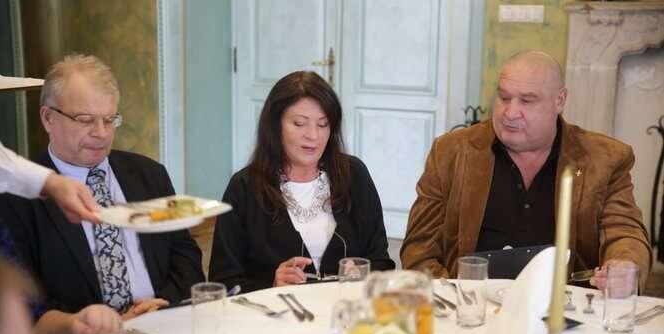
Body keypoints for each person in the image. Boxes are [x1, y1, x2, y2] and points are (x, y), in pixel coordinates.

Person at [400, 50, 651, 291]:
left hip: (564, 307)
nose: (510, 113)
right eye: (504, 97)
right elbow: (419, 248)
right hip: (472, 303)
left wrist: (624, 265)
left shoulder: (605, 158)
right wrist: (453, 296)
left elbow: (624, 232)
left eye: (527, 101)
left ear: (560, 100)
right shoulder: (451, 152)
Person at [0, 54, 205, 319]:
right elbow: (24, 299)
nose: (101, 133)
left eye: (109, 120)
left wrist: (161, 306)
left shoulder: (150, 173)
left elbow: (185, 254)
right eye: (85, 120)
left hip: (162, 321)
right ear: (48, 118)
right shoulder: (16, 195)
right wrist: (104, 323)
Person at [209, 71, 394, 292]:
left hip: (346, 308)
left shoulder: (354, 174)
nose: (313, 135)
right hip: (276, 312)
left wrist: (363, 274)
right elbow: (223, 282)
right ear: (274, 125)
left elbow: (381, 261)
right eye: (299, 124)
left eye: (323, 124)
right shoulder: (244, 187)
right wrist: (271, 285)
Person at [0, 141, 99, 224]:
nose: (102, 134)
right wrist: (51, 183)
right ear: (48, 123)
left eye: (107, 123)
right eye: (85, 123)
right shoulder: (12, 201)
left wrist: (51, 182)